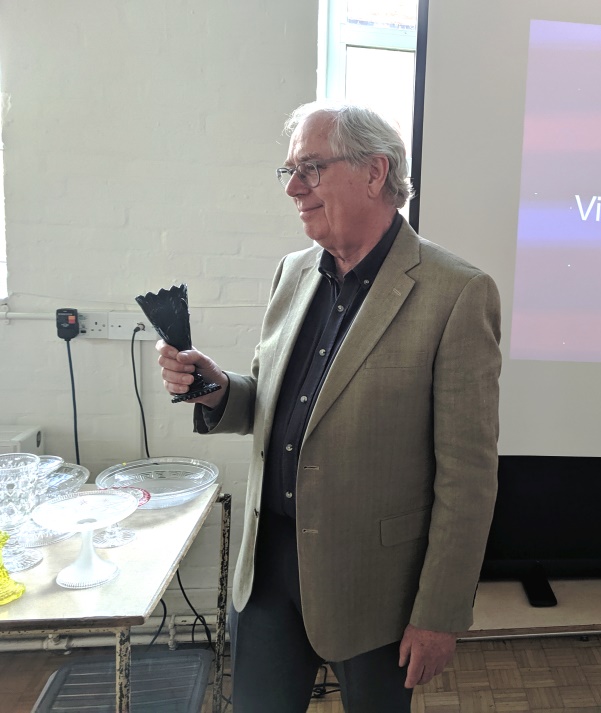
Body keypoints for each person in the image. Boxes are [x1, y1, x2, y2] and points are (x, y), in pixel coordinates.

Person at [155, 102, 501, 712]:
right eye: (289, 171)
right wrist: (216, 388)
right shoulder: (292, 274)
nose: (293, 188)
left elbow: (467, 478)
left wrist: (439, 613)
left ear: (375, 172)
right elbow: (275, 405)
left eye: (311, 168)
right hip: (267, 574)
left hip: (377, 587)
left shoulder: (456, 294)